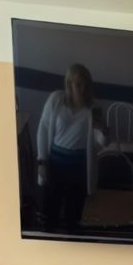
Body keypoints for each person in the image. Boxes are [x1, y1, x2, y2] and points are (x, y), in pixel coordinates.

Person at [36, 64, 107, 232]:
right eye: (79, 84)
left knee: (74, 217)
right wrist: (42, 162)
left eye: (86, 85)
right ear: (69, 84)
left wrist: (103, 131)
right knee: (49, 213)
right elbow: (43, 129)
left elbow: (101, 143)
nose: (83, 89)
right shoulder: (56, 99)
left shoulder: (94, 108)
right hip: (54, 166)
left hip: (79, 170)